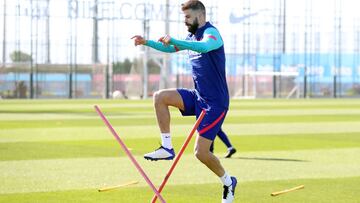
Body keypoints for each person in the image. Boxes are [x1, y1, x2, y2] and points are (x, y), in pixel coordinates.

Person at [131, 1, 237, 202]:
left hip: (215, 103)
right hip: (198, 96)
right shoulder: (191, 36)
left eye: (188, 17)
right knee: (160, 97)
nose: (185, 21)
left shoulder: (212, 34)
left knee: (201, 154)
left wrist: (178, 41)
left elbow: (205, 46)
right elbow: (172, 49)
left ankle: (228, 182)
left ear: (200, 15)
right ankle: (166, 147)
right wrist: (146, 42)